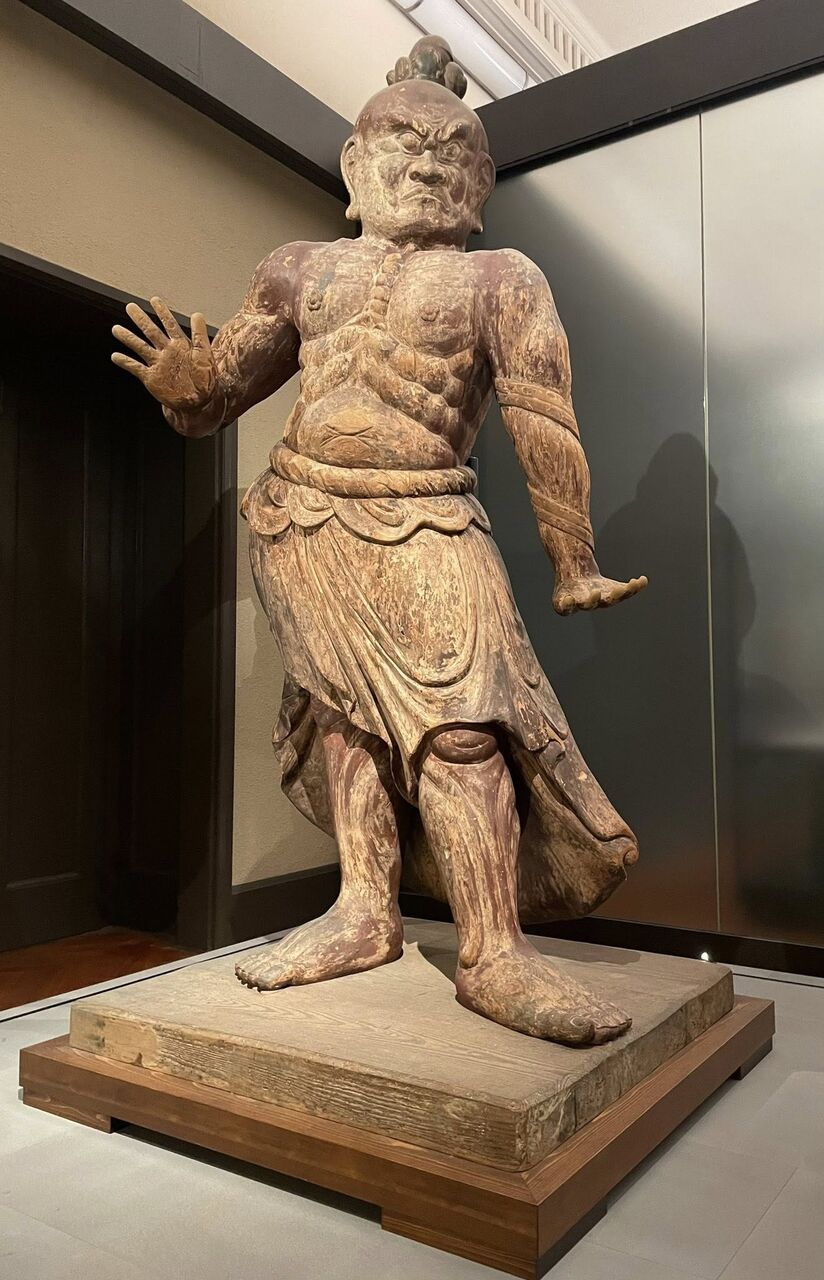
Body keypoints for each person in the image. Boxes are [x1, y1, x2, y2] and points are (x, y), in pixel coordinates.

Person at [112, 37, 646, 1044]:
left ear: (479, 183)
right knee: (343, 721)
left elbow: (543, 420)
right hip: (303, 517)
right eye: (401, 144)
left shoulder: (500, 279)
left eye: (450, 152)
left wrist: (572, 559)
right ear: (355, 169)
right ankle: (364, 909)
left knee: (463, 729)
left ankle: (492, 950)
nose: (425, 166)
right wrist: (187, 388)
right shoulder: (298, 270)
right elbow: (219, 395)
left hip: (430, 513)